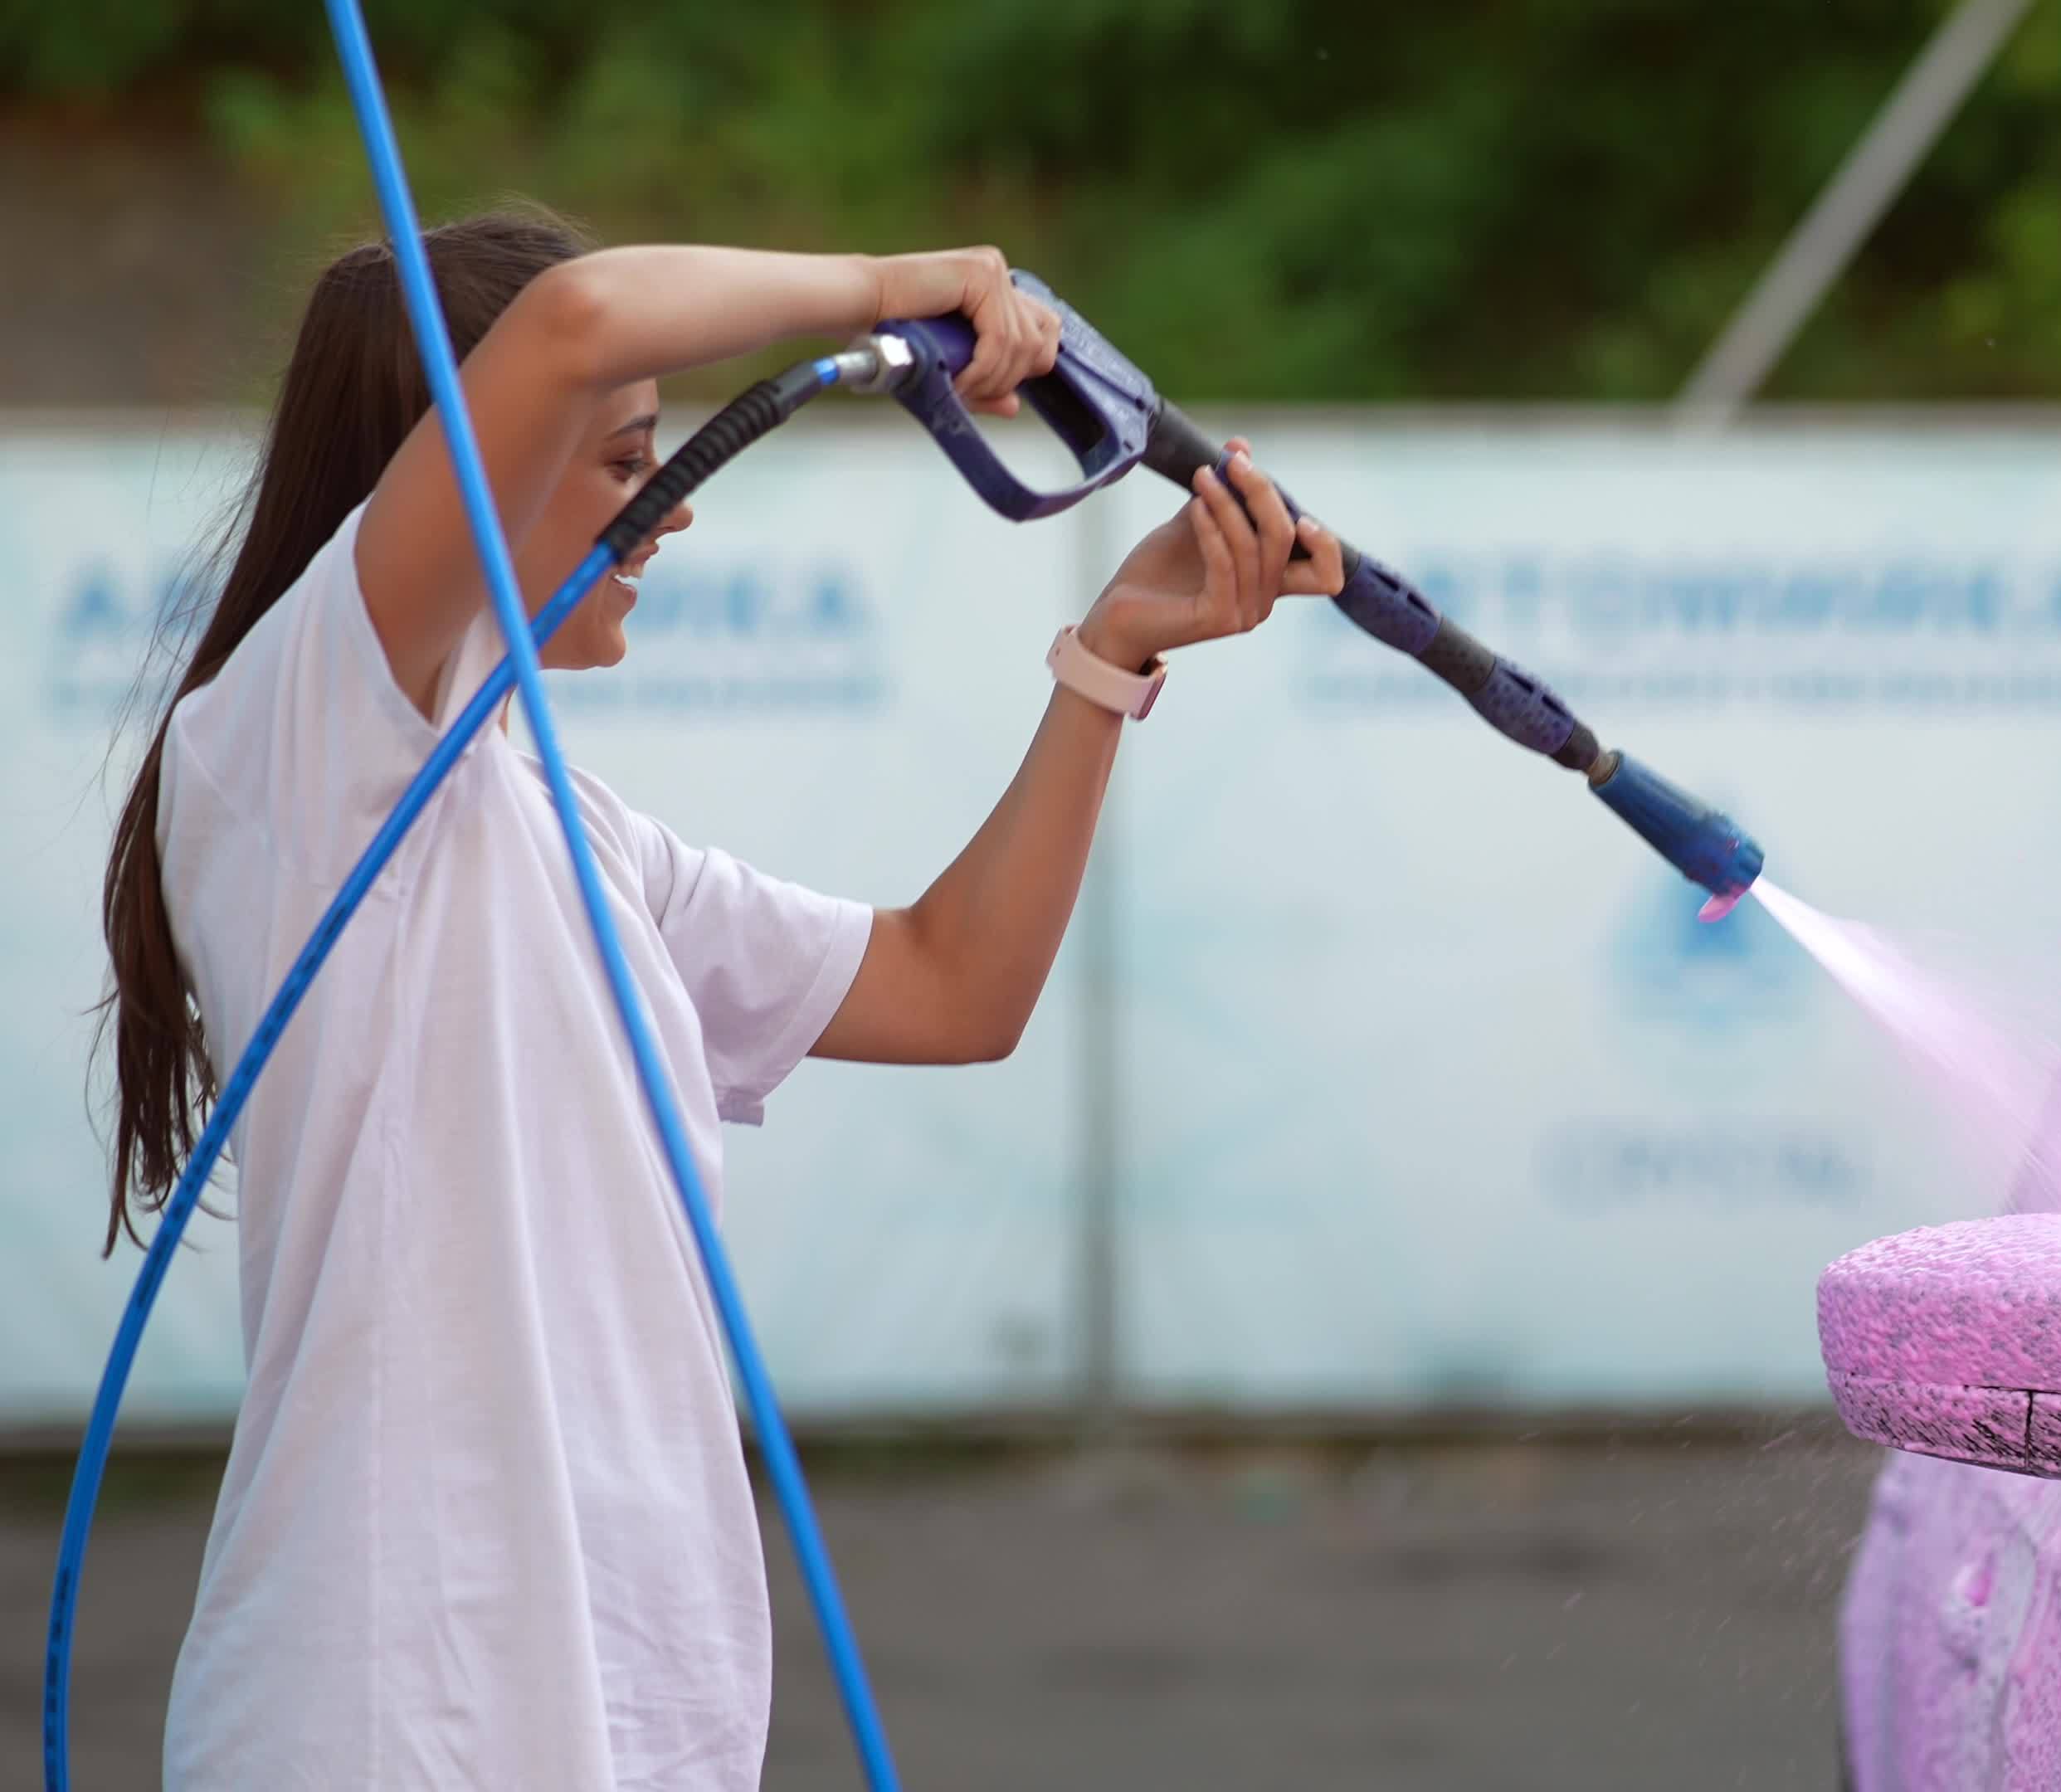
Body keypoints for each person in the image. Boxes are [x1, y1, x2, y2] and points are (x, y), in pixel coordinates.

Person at [93, 206, 1344, 1789]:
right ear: (459, 477)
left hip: (640, 1718)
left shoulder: (576, 830)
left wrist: (1108, 654)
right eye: (625, 462)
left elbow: (954, 987)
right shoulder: (291, 743)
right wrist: (903, 290)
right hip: (383, 1719)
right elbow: (573, 321)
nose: (669, 511)